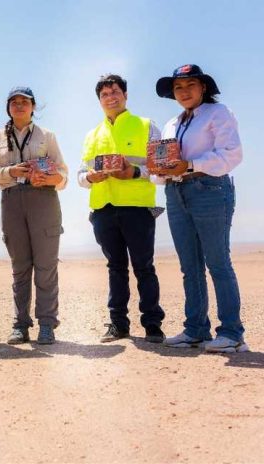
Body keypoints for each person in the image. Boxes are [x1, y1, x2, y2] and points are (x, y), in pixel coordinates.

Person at [154, 64, 247, 353]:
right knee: (189, 266)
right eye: (178, 87)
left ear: (203, 87)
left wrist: (191, 164)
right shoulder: (171, 123)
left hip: (209, 189)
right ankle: (195, 329)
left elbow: (231, 155)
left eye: (190, 85)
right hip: (176, 191)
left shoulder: (219, 113)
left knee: (218, 262)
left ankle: (232, 333)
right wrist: (160, 170)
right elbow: (163, 168)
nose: (184, 91)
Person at [78, 74, 166, 344]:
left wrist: (134, 172)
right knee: (115, 268)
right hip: (103, 209)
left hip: (137, 208)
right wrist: (91, 178)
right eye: (104, 94)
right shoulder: (92, 135)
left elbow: (162, 168)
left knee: (144, 268)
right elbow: (82, 175)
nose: (110, 97)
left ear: (125, 95)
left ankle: (153, 325)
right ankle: (118, 325)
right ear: (99, 100)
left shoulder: (146, 125)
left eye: (115, 92)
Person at [0, 86, 67, 345]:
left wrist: (50, 177)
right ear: (8, 107)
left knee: (45, 266)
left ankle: (46, 324)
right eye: (14, 102)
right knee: (20, 268)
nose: (19, 106)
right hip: (12, 203)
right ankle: (20, 325)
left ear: (34, 106)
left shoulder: (47, 136)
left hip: (43, 200)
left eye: (25, 101)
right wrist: (12, 172)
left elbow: (63, 175)